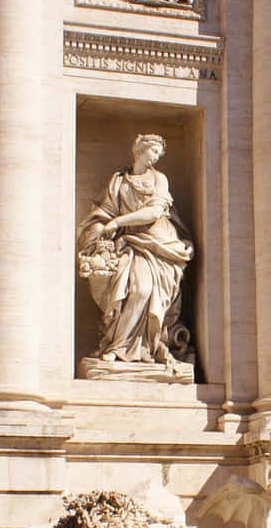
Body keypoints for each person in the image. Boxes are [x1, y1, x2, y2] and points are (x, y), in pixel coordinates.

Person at [76, 135, 194, 368]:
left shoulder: (160, 179)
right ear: (140, 151)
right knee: (131, 289)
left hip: (160, 245)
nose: (157, 156)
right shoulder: (119, 181)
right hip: (130, 244)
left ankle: (131, 347)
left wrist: (117, 223)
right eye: (153, 151)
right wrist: (100, 229)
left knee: (143, 290)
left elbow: (152, 213)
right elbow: (103, 211)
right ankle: (120, 346)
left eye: (159, 152)